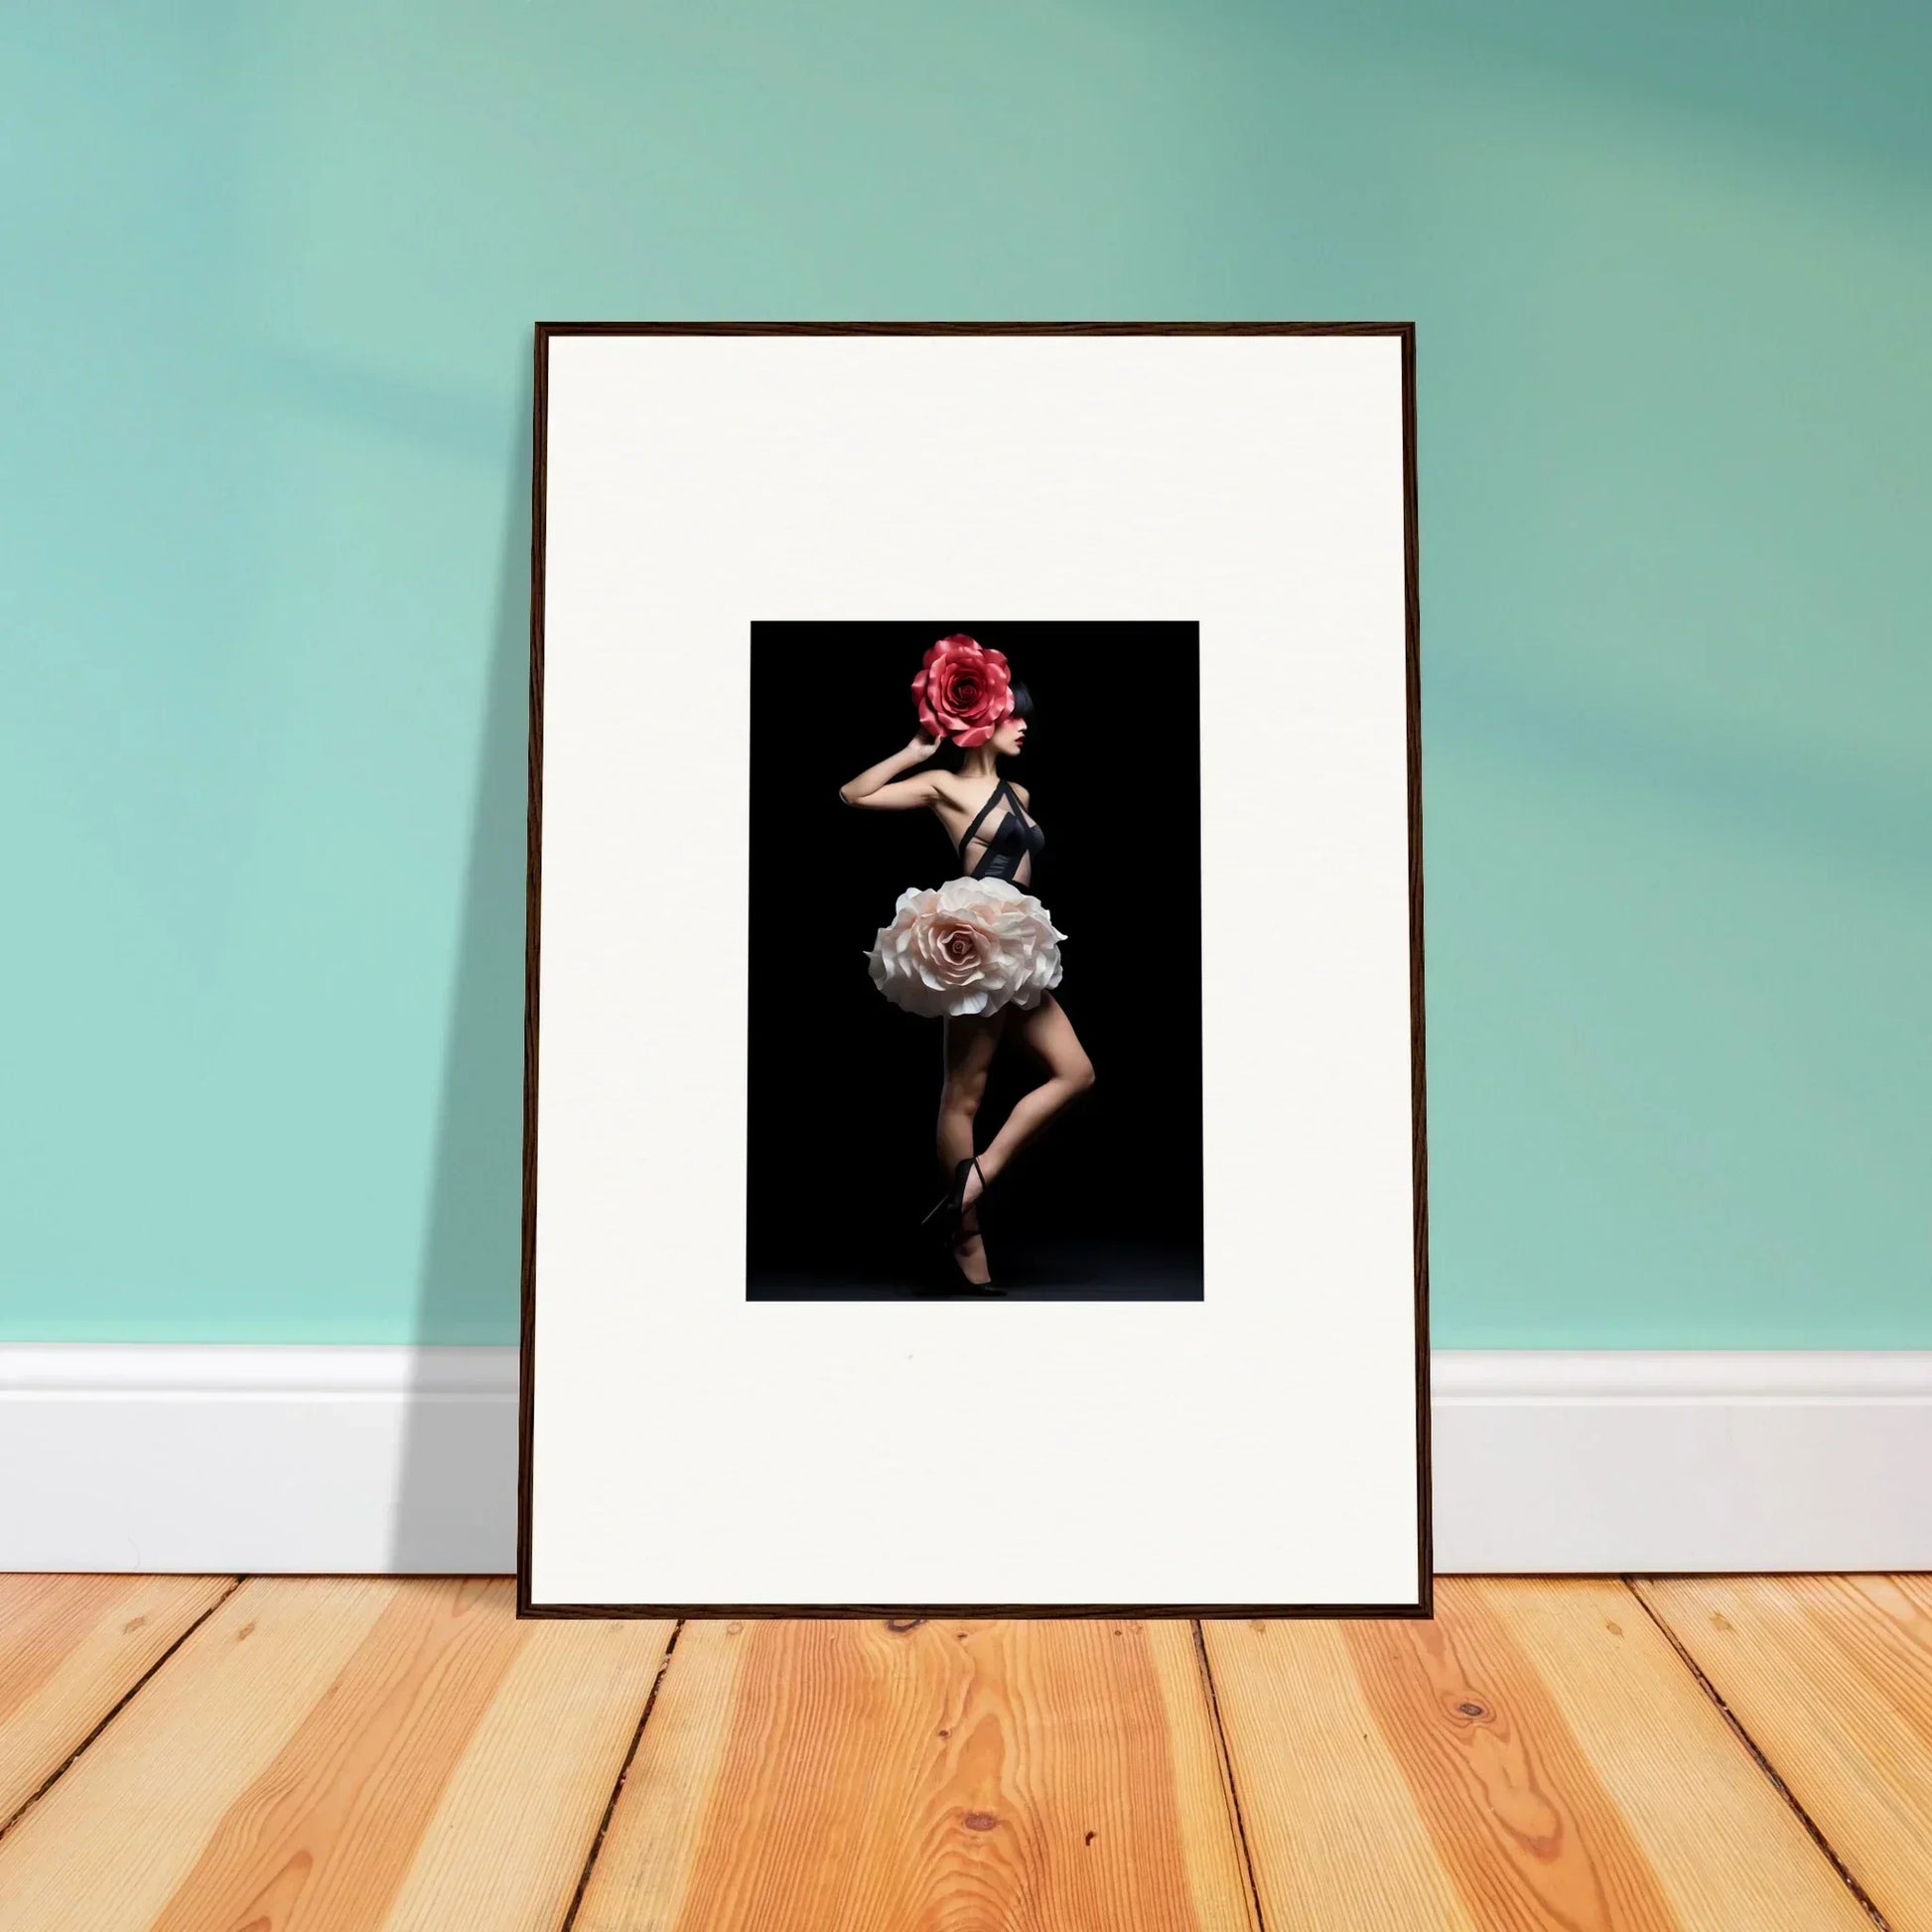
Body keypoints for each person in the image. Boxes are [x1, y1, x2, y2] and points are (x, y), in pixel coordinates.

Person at [840, 636, 1095, 1292]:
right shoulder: (944, 786)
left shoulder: (1022, 793)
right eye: (1014, 715)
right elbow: (854, 795)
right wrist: (913, 751)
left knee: (1075, 1073)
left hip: (1017, 944)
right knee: (965, 1095)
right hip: (976, 944)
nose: (1023, 726)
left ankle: (975, 1178)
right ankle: (968, 1238)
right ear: (983, 721)